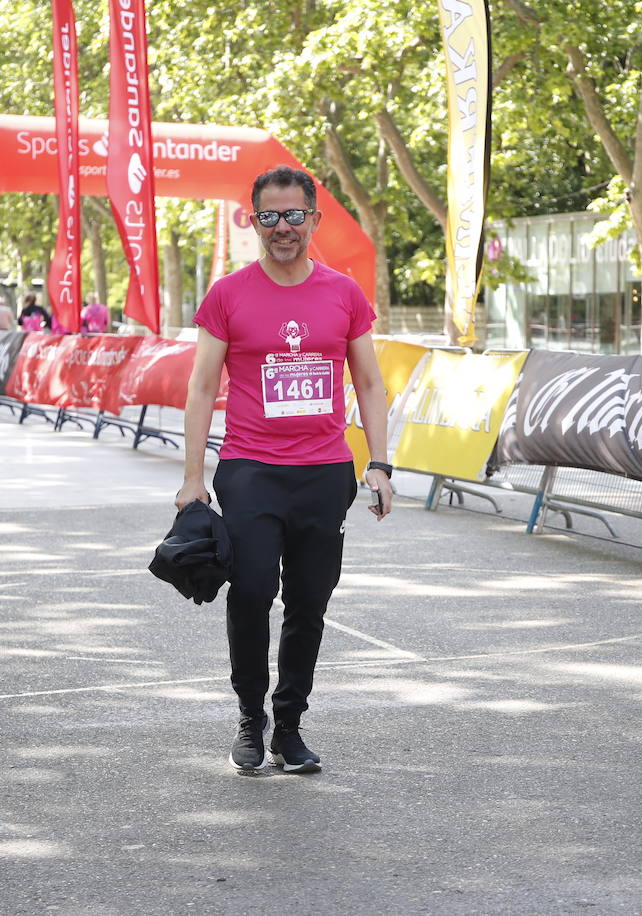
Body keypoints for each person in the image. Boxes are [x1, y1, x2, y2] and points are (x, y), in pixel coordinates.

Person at [176, 165, 394, 775]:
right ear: (253, 221)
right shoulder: (228, 294)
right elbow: (200, 389)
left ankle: (290, 726)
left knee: (309, 602)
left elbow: (371, 384)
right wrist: (193, 479)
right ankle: (251, 718)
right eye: (268, 216)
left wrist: (379, 464)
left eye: (294, 215)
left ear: (314, 220)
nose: (282, 228)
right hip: (250, 469)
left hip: (325, 473)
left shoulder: (344, 294)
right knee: (250, 593)